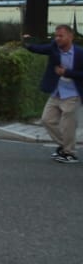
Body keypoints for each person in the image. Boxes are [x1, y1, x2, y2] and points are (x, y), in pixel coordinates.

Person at [22, 25, 83, 164]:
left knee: (68, 124)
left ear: (70, 36)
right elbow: (38, 49)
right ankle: (65, 146)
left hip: (73, 94)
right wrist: (27, 44)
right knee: (47, 120)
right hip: (57, 92)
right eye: (56, 36)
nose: (57, 39)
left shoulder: (80, 53)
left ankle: (69, 153)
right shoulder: (54, 48)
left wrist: (67, 73)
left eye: (61, 36)